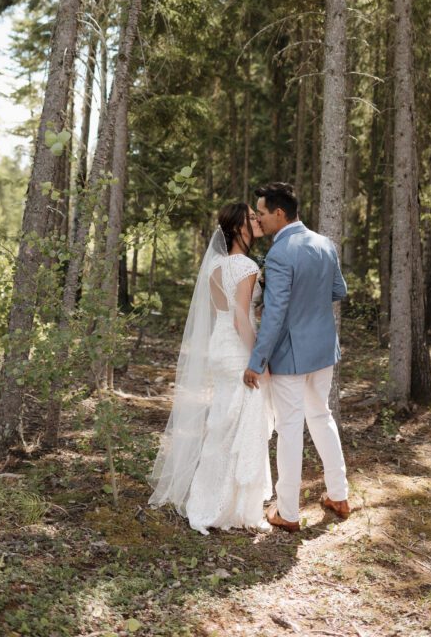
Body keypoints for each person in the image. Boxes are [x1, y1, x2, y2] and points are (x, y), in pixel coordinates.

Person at [148, 203, 273, 535]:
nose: (258, 220)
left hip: (220, 347)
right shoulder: (245, 266)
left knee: (222, 425)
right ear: (237, 228)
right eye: (251, 217)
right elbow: (241, 318)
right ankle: (230, 508)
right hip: (236, 348)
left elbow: (224, 312)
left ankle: (212, 499)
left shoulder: (216, 265)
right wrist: (259, 360)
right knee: (243, 425)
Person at [244, 182, 350, 532]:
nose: (258, 218)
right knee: (321, 417)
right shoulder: (325, 244)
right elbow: (339, 290)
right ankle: (339, 494)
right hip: (323, 350)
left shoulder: (279, 254)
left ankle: (287, 512)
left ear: (279, 213)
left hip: (290, 354)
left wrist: (256, 361)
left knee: (290, 429)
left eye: (261, 212)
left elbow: (273, 315)